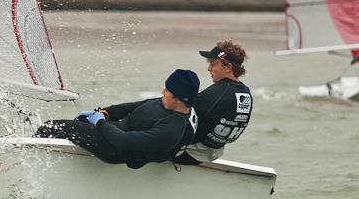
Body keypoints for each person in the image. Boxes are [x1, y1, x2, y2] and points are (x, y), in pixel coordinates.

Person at [35, 69, 200, 169]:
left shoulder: (173, 128)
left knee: (53, 127)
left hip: (115, 149)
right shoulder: (168, 103)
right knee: (76, 122)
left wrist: (99, 122)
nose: (163, 92)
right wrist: (104, 113)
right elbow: (130, 107)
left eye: (168, 90)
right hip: (116, 129)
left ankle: (30, 163)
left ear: (180, 99)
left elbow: (123, 141)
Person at [175, 40, 253, 165]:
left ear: (228, 67)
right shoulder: (245, 92)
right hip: (212, 153)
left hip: (189, 154)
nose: (209, 68)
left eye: (213, 63)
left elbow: (174, 109)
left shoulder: (219, 92)